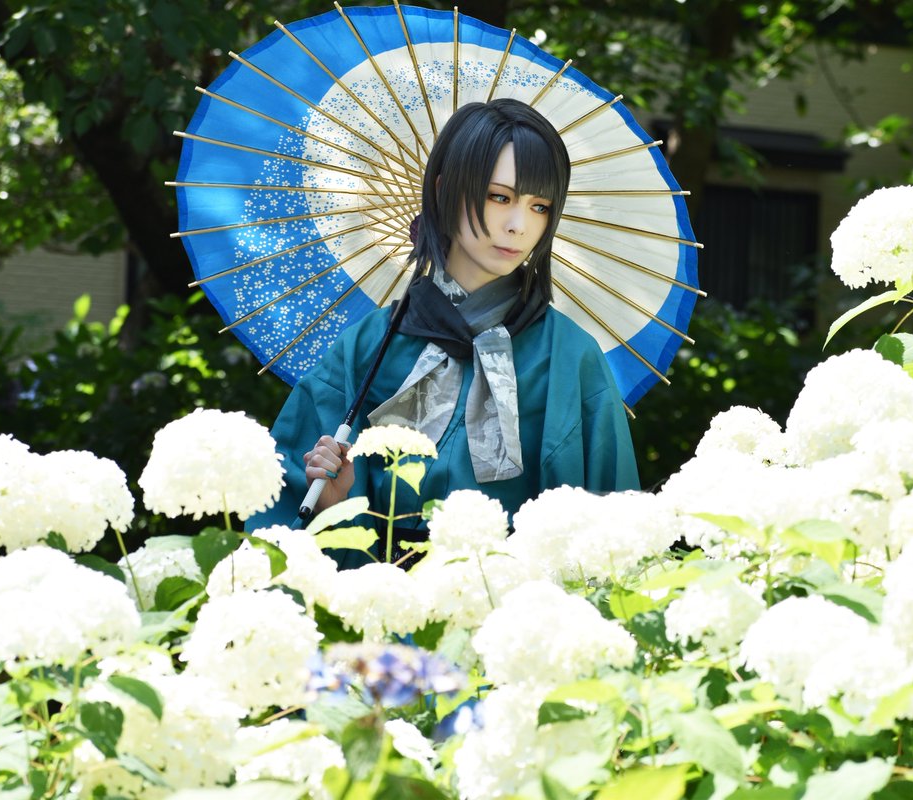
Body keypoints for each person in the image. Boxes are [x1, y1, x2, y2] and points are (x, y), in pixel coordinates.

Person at [246, 98, 640, 565]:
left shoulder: (571, 358)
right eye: (499, 197)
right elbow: (280, 534)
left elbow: (612, 541)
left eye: (539, 206)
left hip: (510, 600)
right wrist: (334, 509)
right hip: (375, 602)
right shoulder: (368, 347)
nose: (519, 226)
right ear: (443, 191)